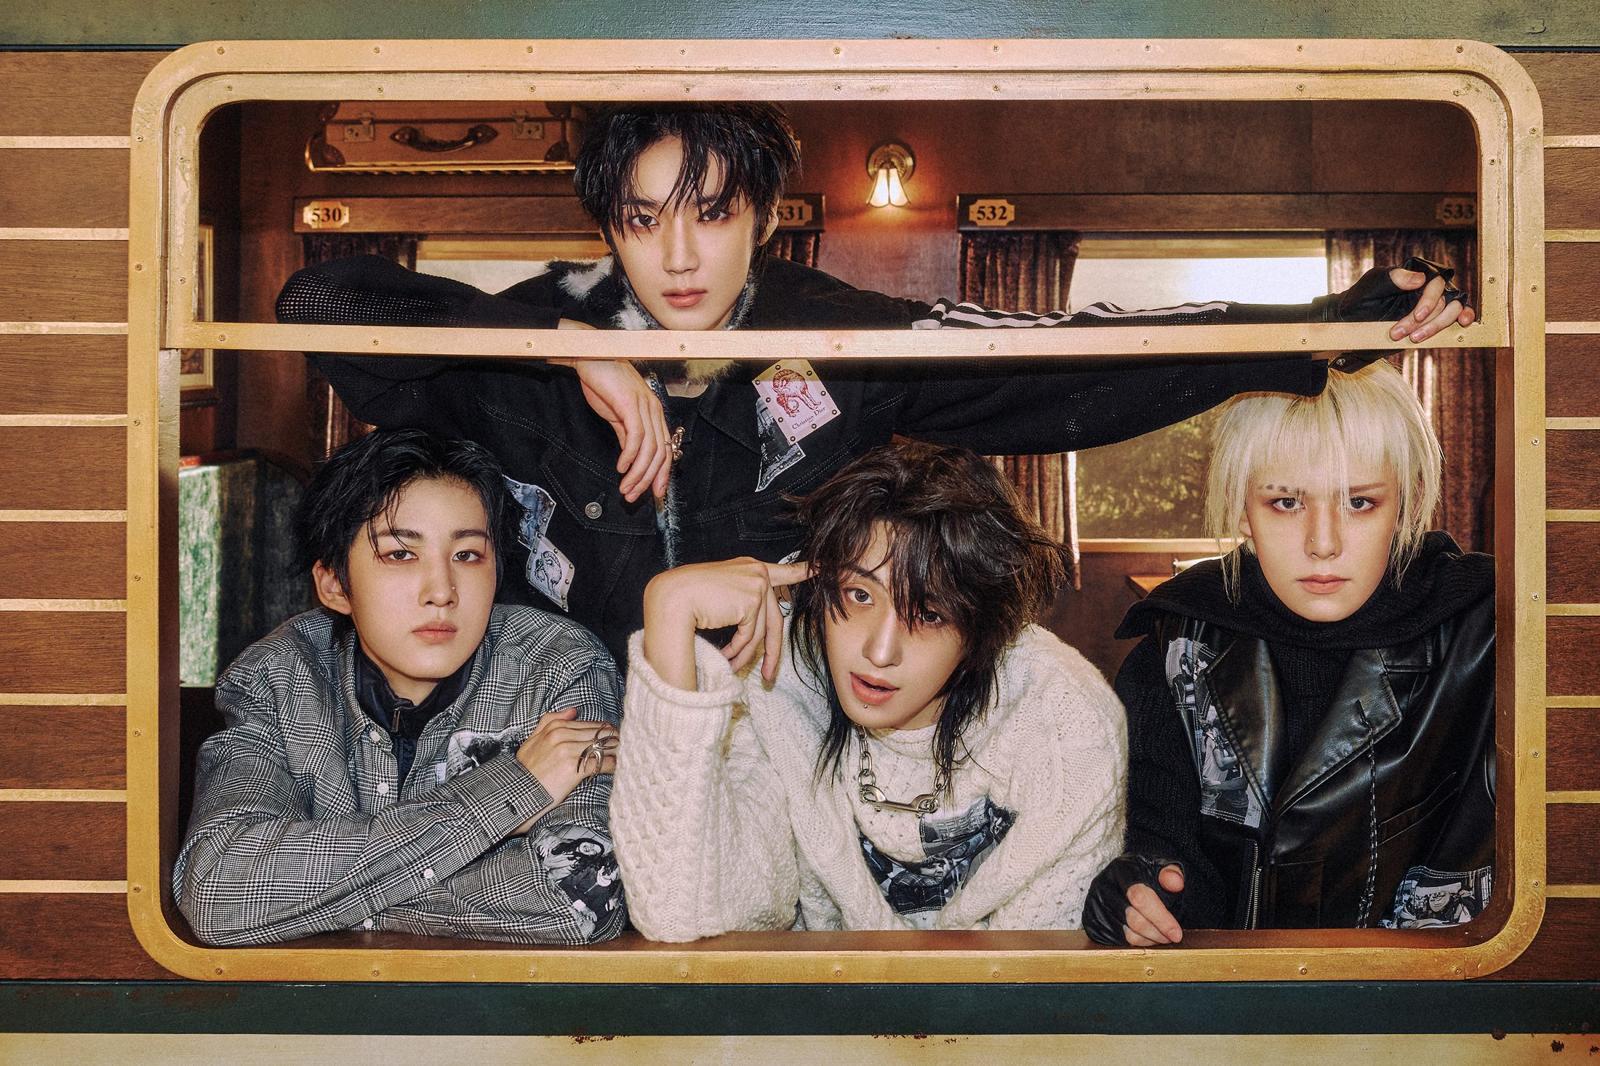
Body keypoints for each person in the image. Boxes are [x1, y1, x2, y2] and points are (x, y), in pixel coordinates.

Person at [276, 102, 1476, 663]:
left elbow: (1068, 357)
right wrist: (559, 344)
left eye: (712, 214)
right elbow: (316, 307)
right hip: (570, 723)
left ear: (764, 214)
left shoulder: (836, 335)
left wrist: (1314, 332)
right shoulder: (535, 341)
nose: (679, 257)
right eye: (642, 222)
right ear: (609, 228)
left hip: (775, 717)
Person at [609, 441, 1126, 939]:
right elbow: (679, 913)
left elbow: (1030, 974)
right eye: (859, 594)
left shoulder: (1063, 722)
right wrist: (669, 610)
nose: (879, 652)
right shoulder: (777, 679)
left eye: (929, 614)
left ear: (983, 630)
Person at [1080, 360, 1495, 944]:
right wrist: (1139, 894)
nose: (1322, 544)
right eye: (1285, 503)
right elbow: (1165, 855)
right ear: (1242, 508)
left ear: (1406, 503)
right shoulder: (1175, 648)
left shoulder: (1495, 629)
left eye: (1359, 503)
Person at [173, 428, 626, 946]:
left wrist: (314, 901)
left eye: (468, 555)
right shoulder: (278, 675)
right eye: (400, 555)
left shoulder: (559, 664)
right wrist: (512, 790)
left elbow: (583, 897)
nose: (441, 592)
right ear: (335, 585)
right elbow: (218, 890)